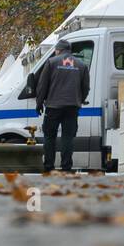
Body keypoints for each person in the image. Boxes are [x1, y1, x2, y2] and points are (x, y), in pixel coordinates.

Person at [35, 40, 90, 173]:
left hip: (53, 106)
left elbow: (42, 86)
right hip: (72, 107)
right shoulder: (81, 65)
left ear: (58, 50)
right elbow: (86, 88)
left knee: (49, 136)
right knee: (68, 137)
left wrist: (39, 103)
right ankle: (66, 167)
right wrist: (80, 100)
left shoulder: (51, 62)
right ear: (69, 50)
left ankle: (49, 167)